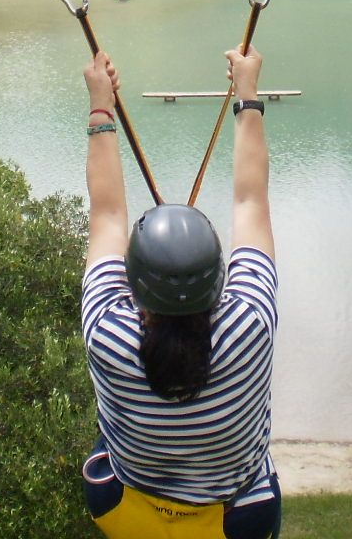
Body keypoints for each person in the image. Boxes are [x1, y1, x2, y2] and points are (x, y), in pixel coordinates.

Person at [79, 46, 280, 539]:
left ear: (133, 285)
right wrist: (247, 93)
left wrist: (101, 105)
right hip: (235, 521)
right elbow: (250, 201)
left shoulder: (107, 333)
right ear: (220, 279)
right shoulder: (249, 324)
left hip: (129, 513)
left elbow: (106, 214)